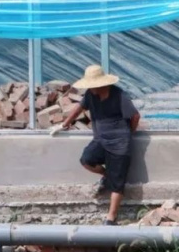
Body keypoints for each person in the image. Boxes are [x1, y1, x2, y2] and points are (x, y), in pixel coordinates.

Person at [59, 65, 141, 225]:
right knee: (86, 159)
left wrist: (129, 133)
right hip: (100, 140)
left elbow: (135, 116)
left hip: (120, 143)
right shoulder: (91, 95)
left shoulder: (119, 95)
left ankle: (111, 218)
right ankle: (107, 175)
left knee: (117, 184)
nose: (91, 88)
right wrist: (65, 124)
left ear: (102, 84)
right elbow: (78, 109)